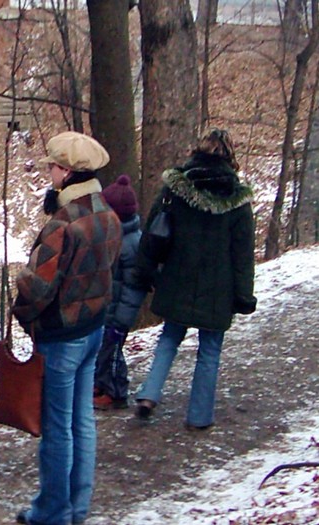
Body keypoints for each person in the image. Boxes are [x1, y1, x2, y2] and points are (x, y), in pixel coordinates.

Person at [12, 131, 122, 525]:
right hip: (92, 330)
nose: (49, 173)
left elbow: (37, 286)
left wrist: (21, 312)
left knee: (58, 430)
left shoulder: (63, 223)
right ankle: (76, 508)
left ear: (68, 172)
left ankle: (52, 513)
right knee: (82, 423)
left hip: (62, 338)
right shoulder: (107, 213)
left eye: (53, 167)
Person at [133, 128, 256, 430]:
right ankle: (199, 416)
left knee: (169, 339)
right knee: (210, 350)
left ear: (197, 151)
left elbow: (153, 232)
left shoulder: (176, 189)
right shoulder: (238, 201)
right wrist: (244, 296)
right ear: (230, 156)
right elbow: (242, 254)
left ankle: (149, 394)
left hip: (177, 276)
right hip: (219, 288)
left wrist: (145, 269)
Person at [93, 175, 147, 410]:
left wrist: (121, 321)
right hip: (105, 307)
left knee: (113, 351)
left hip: (118, 313)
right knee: (102, 349)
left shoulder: (132, 243)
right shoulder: (111, 237)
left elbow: (134, 287)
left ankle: (116, 393)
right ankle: (101, 384)